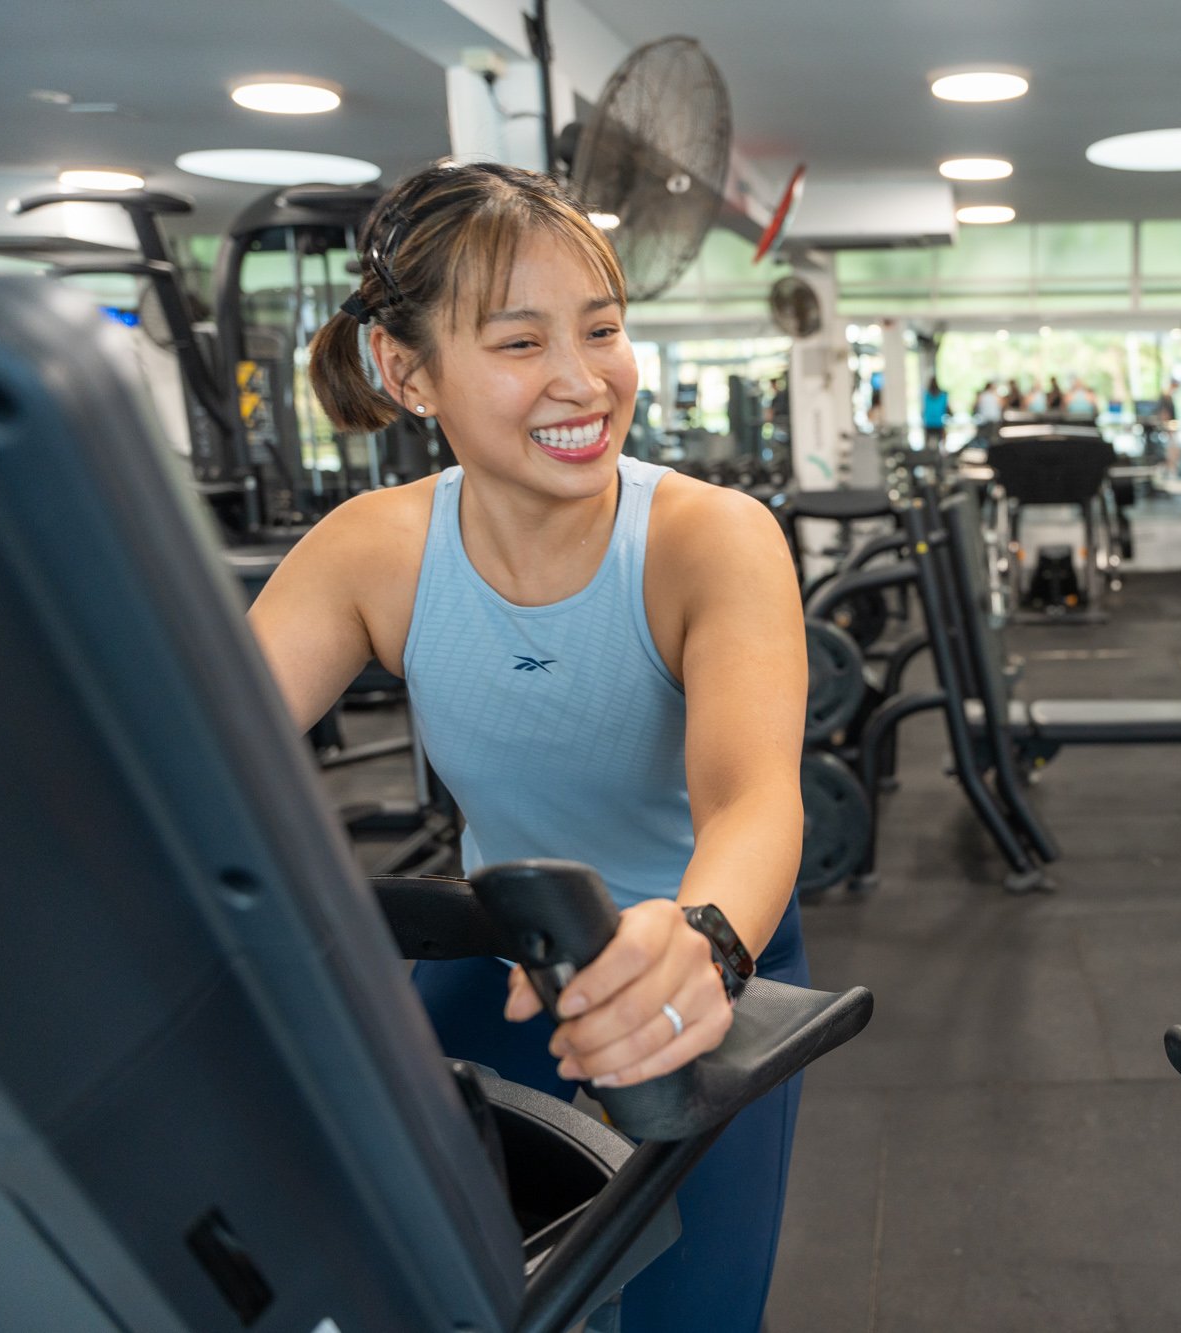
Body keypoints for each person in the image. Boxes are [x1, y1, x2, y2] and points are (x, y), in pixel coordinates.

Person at [255, 160, 809, 1333]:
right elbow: (191, 755)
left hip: (704, 941)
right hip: (493, 947)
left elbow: (754, 802)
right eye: (518, 344)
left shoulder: (710, 539)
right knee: (463, 1294)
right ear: (410, 375)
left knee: (686, 1317)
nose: (582, 380)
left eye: (601, 329)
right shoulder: (373, 551)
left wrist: (702, 944)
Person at [921, 375, 950, 448]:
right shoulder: (943, 395)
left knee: (927, 440)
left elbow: (924, 410)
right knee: (944, 436)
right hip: (938, 425)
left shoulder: (926, 395)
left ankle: (926, 449)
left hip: (928, 424)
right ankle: (944, 450)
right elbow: (946, 410)